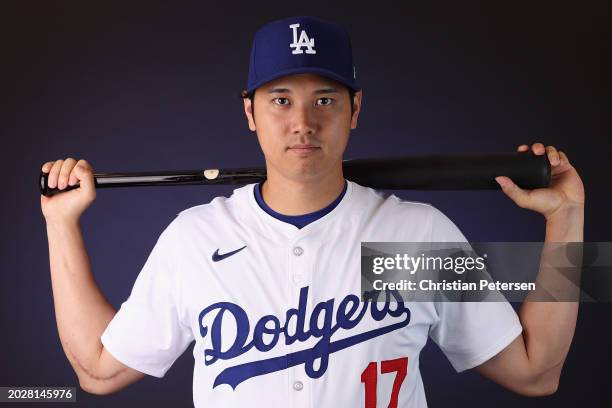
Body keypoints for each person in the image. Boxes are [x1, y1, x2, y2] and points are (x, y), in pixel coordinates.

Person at [41, 16, 585, 407]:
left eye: (325, 99)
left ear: (356, 109)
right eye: (280, 99)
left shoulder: (412, 238)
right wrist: (60, 224)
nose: (302, 121)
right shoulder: (196, 238)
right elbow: (98, 373)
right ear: (249, 112)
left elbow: (537, 374)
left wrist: (568, 220)